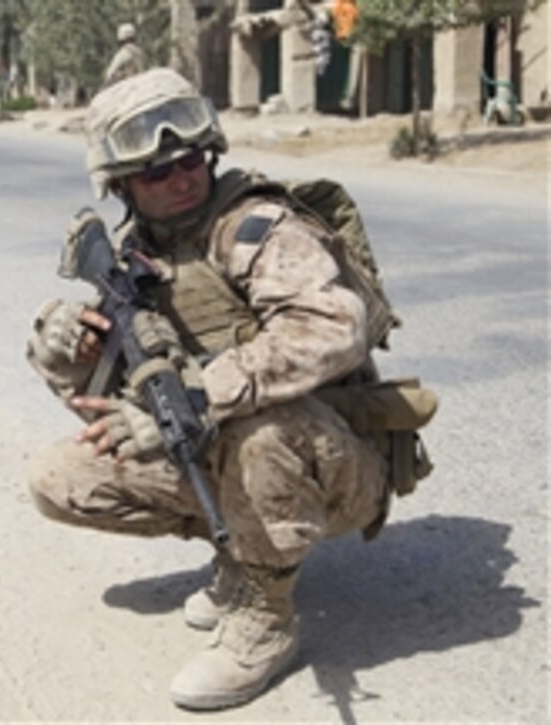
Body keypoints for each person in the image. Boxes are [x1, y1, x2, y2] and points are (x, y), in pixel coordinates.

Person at [25, 68, 432, 711]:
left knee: (255, 423)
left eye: (189, 159)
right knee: (59, 476)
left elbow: (331, 327)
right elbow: (102, 397)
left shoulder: (255, 227)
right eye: (157, 172)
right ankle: (240, 555)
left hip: (335, 462)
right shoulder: (133, 257)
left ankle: (266, 617)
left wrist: (199, 394)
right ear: (121, 184)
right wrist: (63, 348)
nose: (181, 177)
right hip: (223, 452)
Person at [103, 22, 147, 88]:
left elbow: (110, 74)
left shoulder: (123, 53)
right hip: (143, 85)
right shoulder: (141, 53)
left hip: (129, 88)